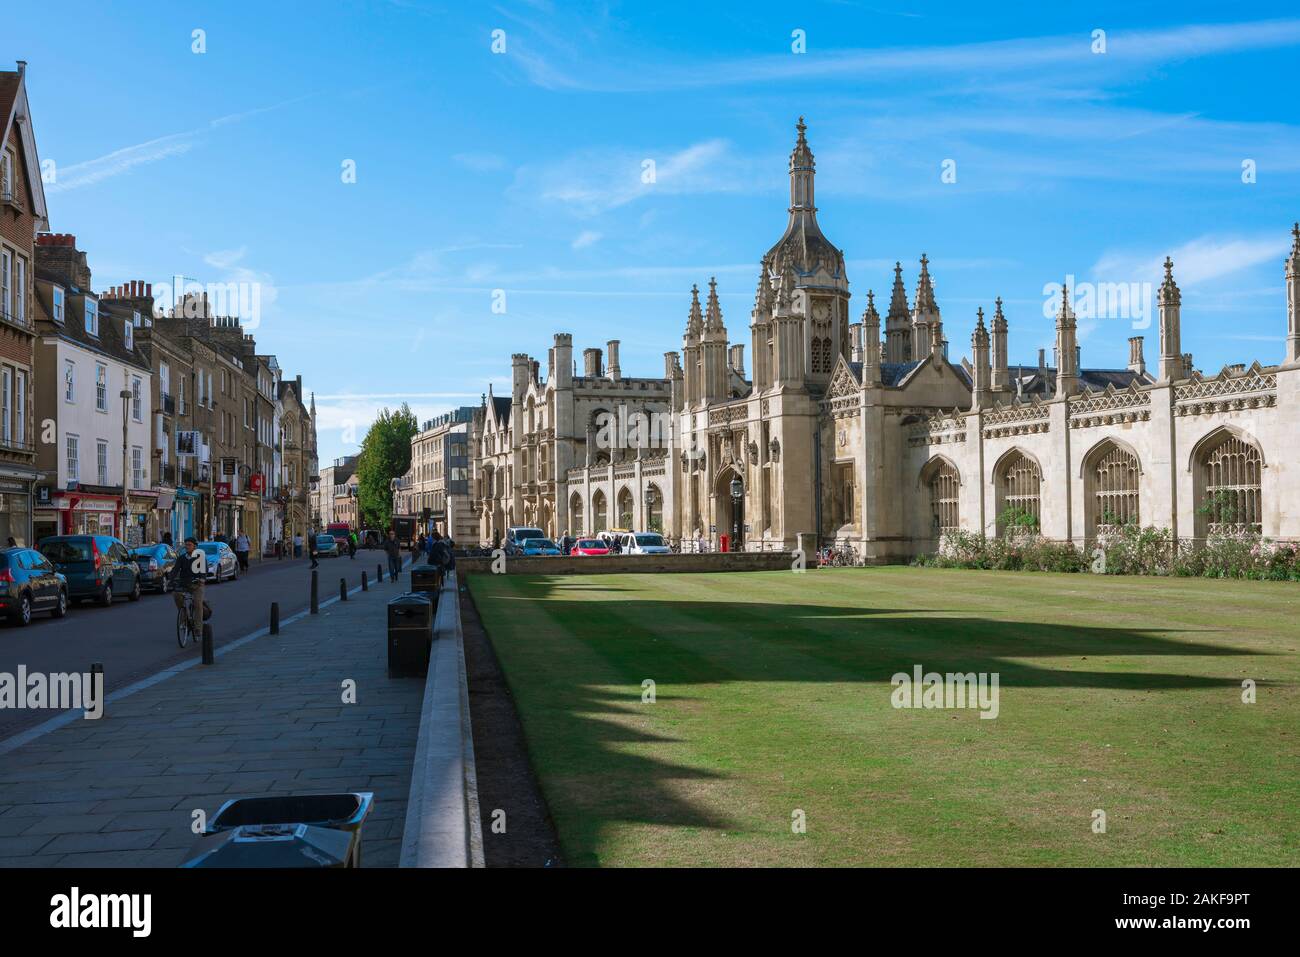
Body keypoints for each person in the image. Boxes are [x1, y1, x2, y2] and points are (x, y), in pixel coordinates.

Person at [168, 536, 208, 638]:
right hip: (184, 584)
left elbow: (204, 570)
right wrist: (170, 579)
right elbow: (175, 570)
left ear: (195, 546)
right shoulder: (181, 558)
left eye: (189, 545)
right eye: (186, 545)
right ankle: (183, 617)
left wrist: (202, 578)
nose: (187, 546)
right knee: (176, 595)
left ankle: (198, 628)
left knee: (197, 603)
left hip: (197, 585)